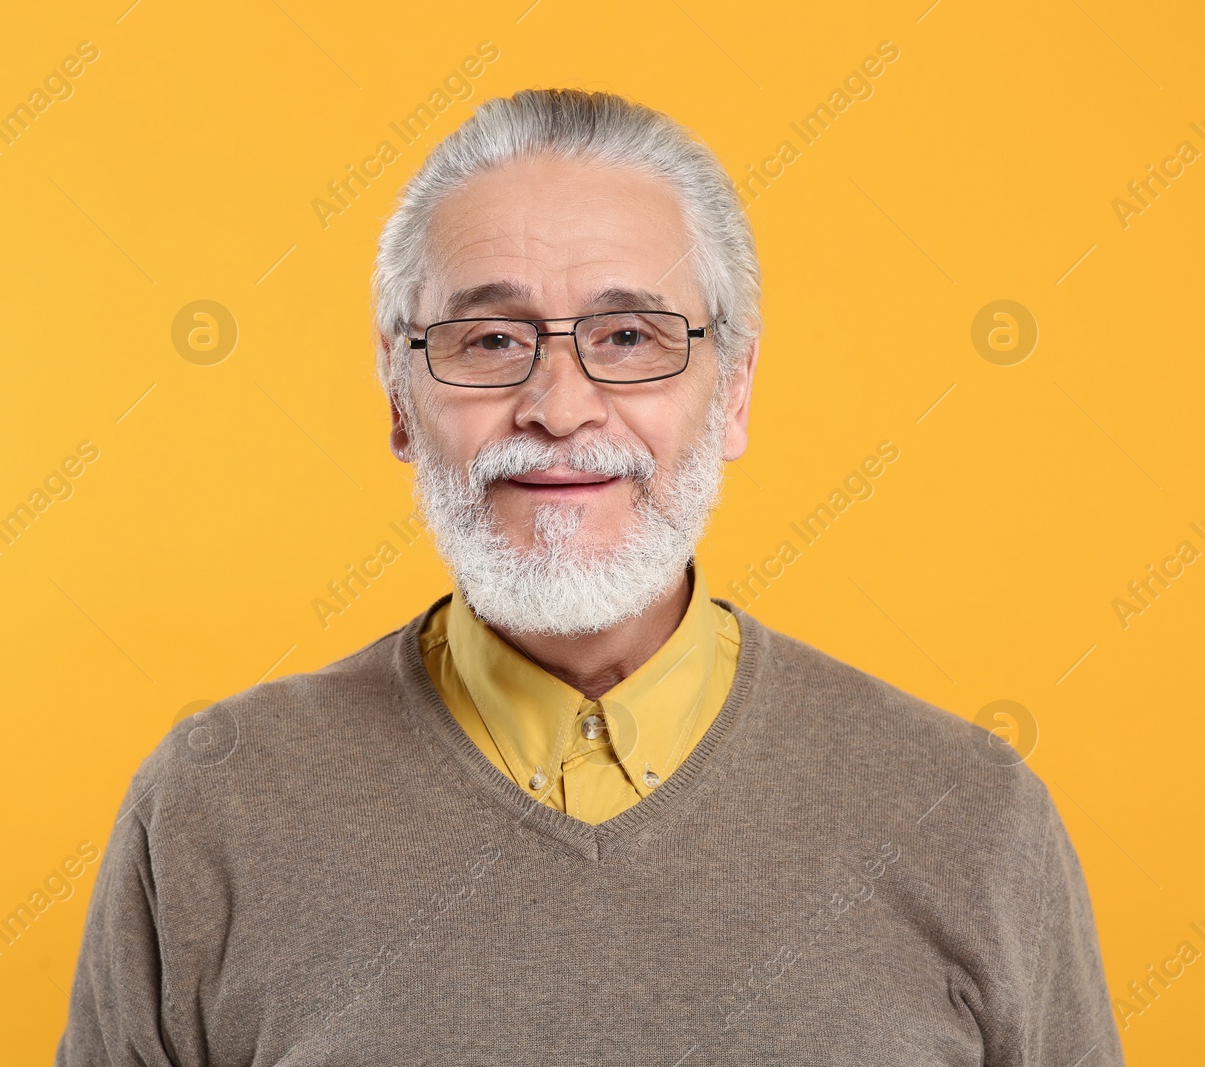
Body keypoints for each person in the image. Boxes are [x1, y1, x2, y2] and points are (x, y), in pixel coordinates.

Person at [57, 88, 1121, 1066]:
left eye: (627, 335)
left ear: (734, 388)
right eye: (488, 338)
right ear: (396, 392)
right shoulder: (212, 803)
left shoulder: (972, 818)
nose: (558, 405)